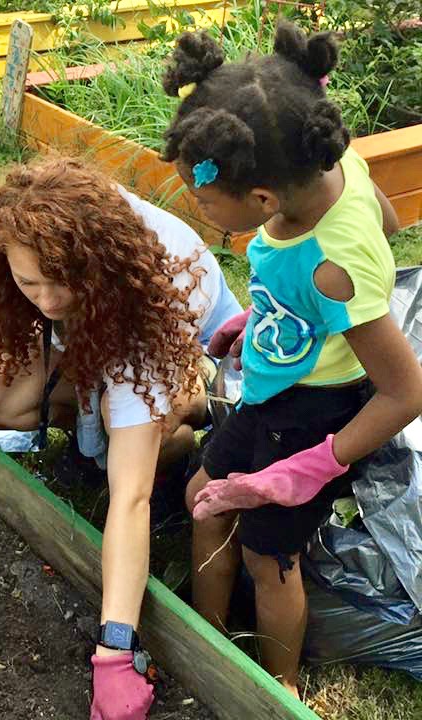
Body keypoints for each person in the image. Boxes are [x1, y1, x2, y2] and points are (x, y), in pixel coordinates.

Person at [0, 156, 242, 720]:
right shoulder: (24, 229)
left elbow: (130, 499)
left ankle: (180, 424)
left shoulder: (161, 281)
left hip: (183, 354)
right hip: (96, 335)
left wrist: (114, 649)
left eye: (62, 282)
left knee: (122, 455)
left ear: (93, 262)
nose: (49, 301)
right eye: (31, 283)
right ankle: (91, 419)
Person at [160, 22, 422, 698]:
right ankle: (207, 640)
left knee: (266, 554)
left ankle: (271, 687)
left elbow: (405, 392)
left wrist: (306, 472)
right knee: (202, 500)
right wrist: (267, 317)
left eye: (201, 195)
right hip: (274, 391)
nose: (196, 202)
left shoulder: (333, 265)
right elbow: (389, 220)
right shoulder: (334, 170)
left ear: (264, 200)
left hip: (313, 416)